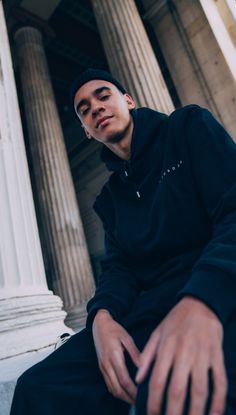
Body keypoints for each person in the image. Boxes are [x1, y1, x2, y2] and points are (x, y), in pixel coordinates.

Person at [10, 69, 236, 415]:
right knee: (37, 388)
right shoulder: (109, 198)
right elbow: (119, 269)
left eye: (103, 96)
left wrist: (202, 301)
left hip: (216, 289)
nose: (96, 108)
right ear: (86, 131)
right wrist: (101, 318)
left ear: (128, 100)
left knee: (180, 392)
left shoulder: (189, 127)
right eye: (84, 109)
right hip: (152, 309)